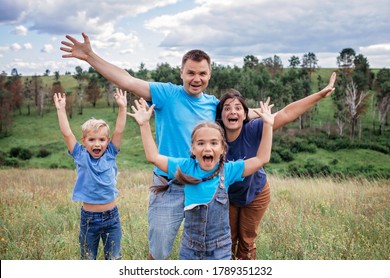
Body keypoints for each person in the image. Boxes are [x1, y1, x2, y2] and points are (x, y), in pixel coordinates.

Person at [61, 33, 336, 260]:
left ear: (209, 74)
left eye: (202, 73)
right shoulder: (167, 94)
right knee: (158, 250)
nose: (196, 78)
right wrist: (89, 57)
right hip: (168, 183)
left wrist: (320, 95)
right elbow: (127, 80)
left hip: (205, 187)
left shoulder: (217, 106)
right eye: (190, 72)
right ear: (181, 72)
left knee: (209, 252)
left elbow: (280, 116)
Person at [128, 97, 274, 259]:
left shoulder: (229, 170)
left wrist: (267, 125)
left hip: (220, 250)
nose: (207, 148)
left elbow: (261, 159)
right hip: (190, 249)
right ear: (193, 148)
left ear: (223, 149)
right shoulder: (186, 167)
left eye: (213, 143)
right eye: (201, 143)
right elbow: (153, 157)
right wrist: (144, 124)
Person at [215, 73, 336, 260]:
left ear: (245, 114)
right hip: (227, 196)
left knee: (246, 242)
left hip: (256, 193)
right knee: (226, 241)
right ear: (220, 115)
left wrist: (320, 94)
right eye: (227, 108)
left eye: (238, 108)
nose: (233, 112)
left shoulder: (254, 128)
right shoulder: (214, 136)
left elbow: (287, 113)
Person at [53, 88, 127, 260]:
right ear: (84, 141)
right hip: (89, 220)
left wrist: (122, 107)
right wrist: (60, 110)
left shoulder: (110, 153)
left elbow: (119, 131)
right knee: (88, 259)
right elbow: (67, 133)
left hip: (112, 218)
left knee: (114, 258)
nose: (97, 144)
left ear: (107, 142)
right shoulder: (80, 155)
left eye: (101, 139)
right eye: (91, 139)